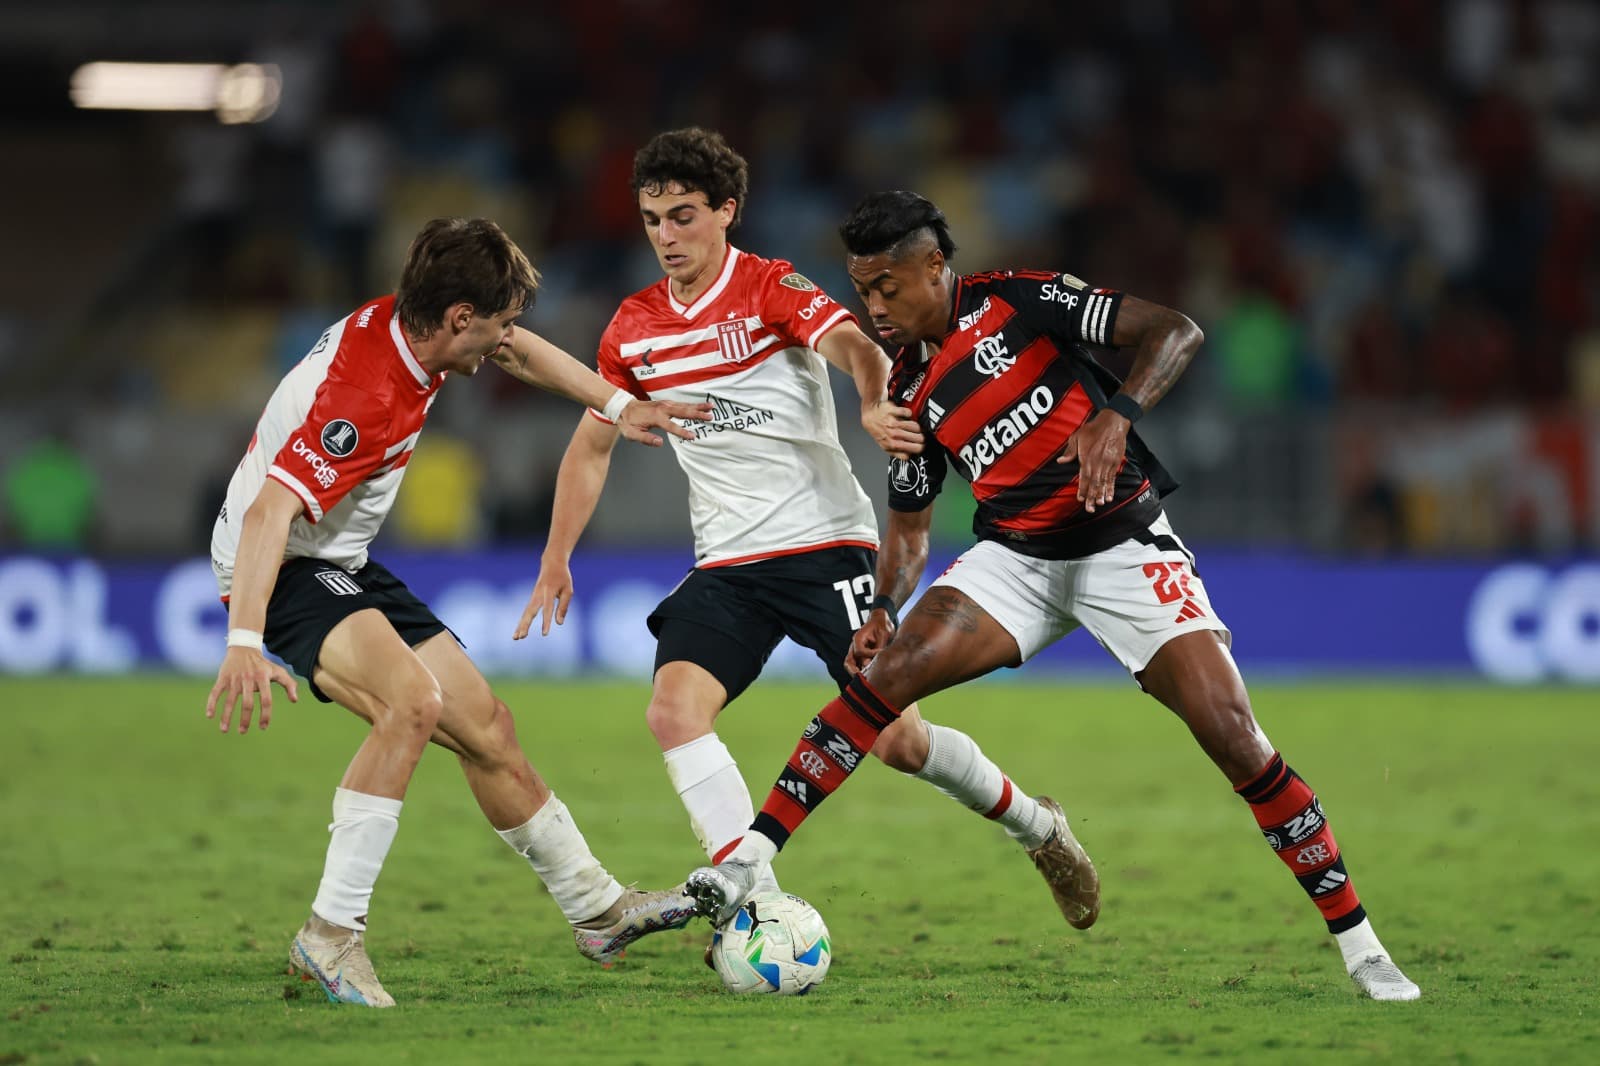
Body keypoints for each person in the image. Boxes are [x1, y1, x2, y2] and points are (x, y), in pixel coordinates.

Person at [686, 191, 1422, 1002]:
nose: (876, 306)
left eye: (888, 286)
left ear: (935, 266)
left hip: (1123, 547)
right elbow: (910, 531)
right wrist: (887, 607)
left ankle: (1362, 947)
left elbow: (1177, 330)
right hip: (1019, 560)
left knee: (1235, 736)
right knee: (881, 678)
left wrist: (1117, 415)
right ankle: (754, 854)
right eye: (863, 291)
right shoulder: (907, 387)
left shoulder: (1017, 300)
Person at [516, 129, 1101, 942]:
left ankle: (1038, 827)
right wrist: (555, 555)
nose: (666, 236)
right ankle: (752, 912)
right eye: (652, 219)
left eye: (683, 216)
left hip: (824, 544)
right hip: (726, 563)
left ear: (727, 211)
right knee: (673, 710)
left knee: (897, 740)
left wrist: (870, 399)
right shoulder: (633, 327)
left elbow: (857, 345)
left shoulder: (770, 288)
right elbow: (593, 440)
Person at [205, 217, 712, 1008]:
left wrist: (618, 404)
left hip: (339, 557)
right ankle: (330, 937)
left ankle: (598, 911)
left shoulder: (425, 332)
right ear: (457, 320)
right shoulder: (364, 395)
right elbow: (271, 512)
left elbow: (520, 350)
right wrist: (244, 638)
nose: (507, 339)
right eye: (499, 322)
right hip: (281, 566)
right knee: (412, 704)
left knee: (488, 727)